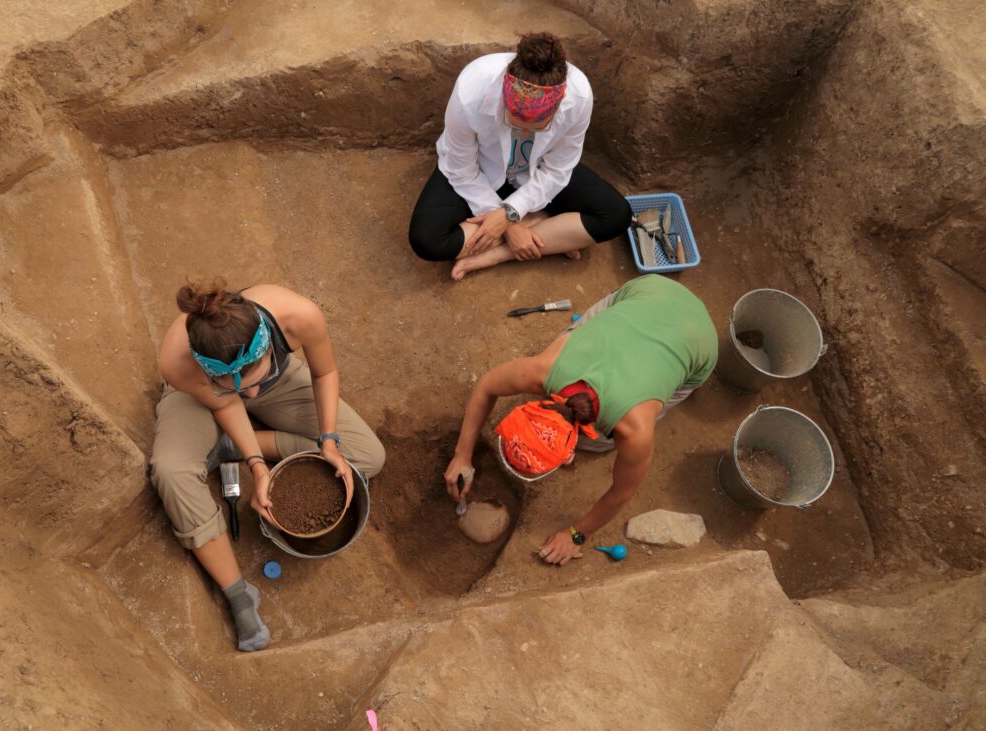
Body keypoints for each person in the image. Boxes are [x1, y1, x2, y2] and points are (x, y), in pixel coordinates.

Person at [151, 280, 385, 651]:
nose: (251, 395)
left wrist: (328, 440)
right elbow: (227, 405)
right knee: (171, 471)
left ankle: (227, 445)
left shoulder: (297, 316)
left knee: (367, 457)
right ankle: (238, 594)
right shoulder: (176, 362)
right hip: (205, 400)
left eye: (254, 378)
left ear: (266, 344)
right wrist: (258, 468)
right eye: (238, 385)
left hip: (279, 387)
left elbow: (324, 373)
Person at [444, 275, 717, 564]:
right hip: (652, 291)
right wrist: (462, 455)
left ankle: (677, 375)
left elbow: (623, 491)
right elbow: (487, 385)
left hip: (699, 342)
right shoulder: (543, 369)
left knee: (599, 444)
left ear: (568, 454)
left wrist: (576, 535)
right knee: (571, 345)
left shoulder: (634, 431)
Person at [409, 32, 632, 280]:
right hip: (480, 172)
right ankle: (546, 227)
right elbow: (461, 170)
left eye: (538, 125)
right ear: (504, 97)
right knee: (427, 240)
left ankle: (498, 254)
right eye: (515, 121)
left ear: (558, 106)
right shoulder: (470, 91)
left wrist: (507, 219)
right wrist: (511, 224)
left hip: (535, 172)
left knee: (616, 214)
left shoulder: (578, 97)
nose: (525, 130)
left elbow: (557, 169)